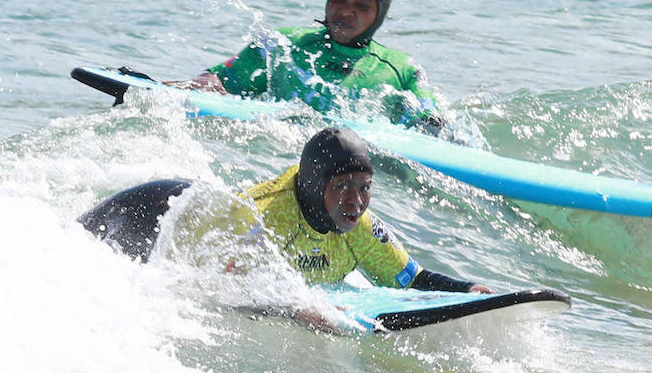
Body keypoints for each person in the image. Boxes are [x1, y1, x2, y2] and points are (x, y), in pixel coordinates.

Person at [77, 127, 493, 333]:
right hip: (150, 214)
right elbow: (217, 290)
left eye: (365, 188)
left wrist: (465, 289)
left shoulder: (360, 226)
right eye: (343, 187)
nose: (355, 201)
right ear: (314, 186)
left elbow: (413, 279)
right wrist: (294, 311)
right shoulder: (264, 219)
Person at [175, 0, 442, 128]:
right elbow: (221, 79)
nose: (346, 11)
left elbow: (431, 122)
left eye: (362, 5)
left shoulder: (403, 70)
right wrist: (184, 88)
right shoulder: (282, 45)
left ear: (379, 15)